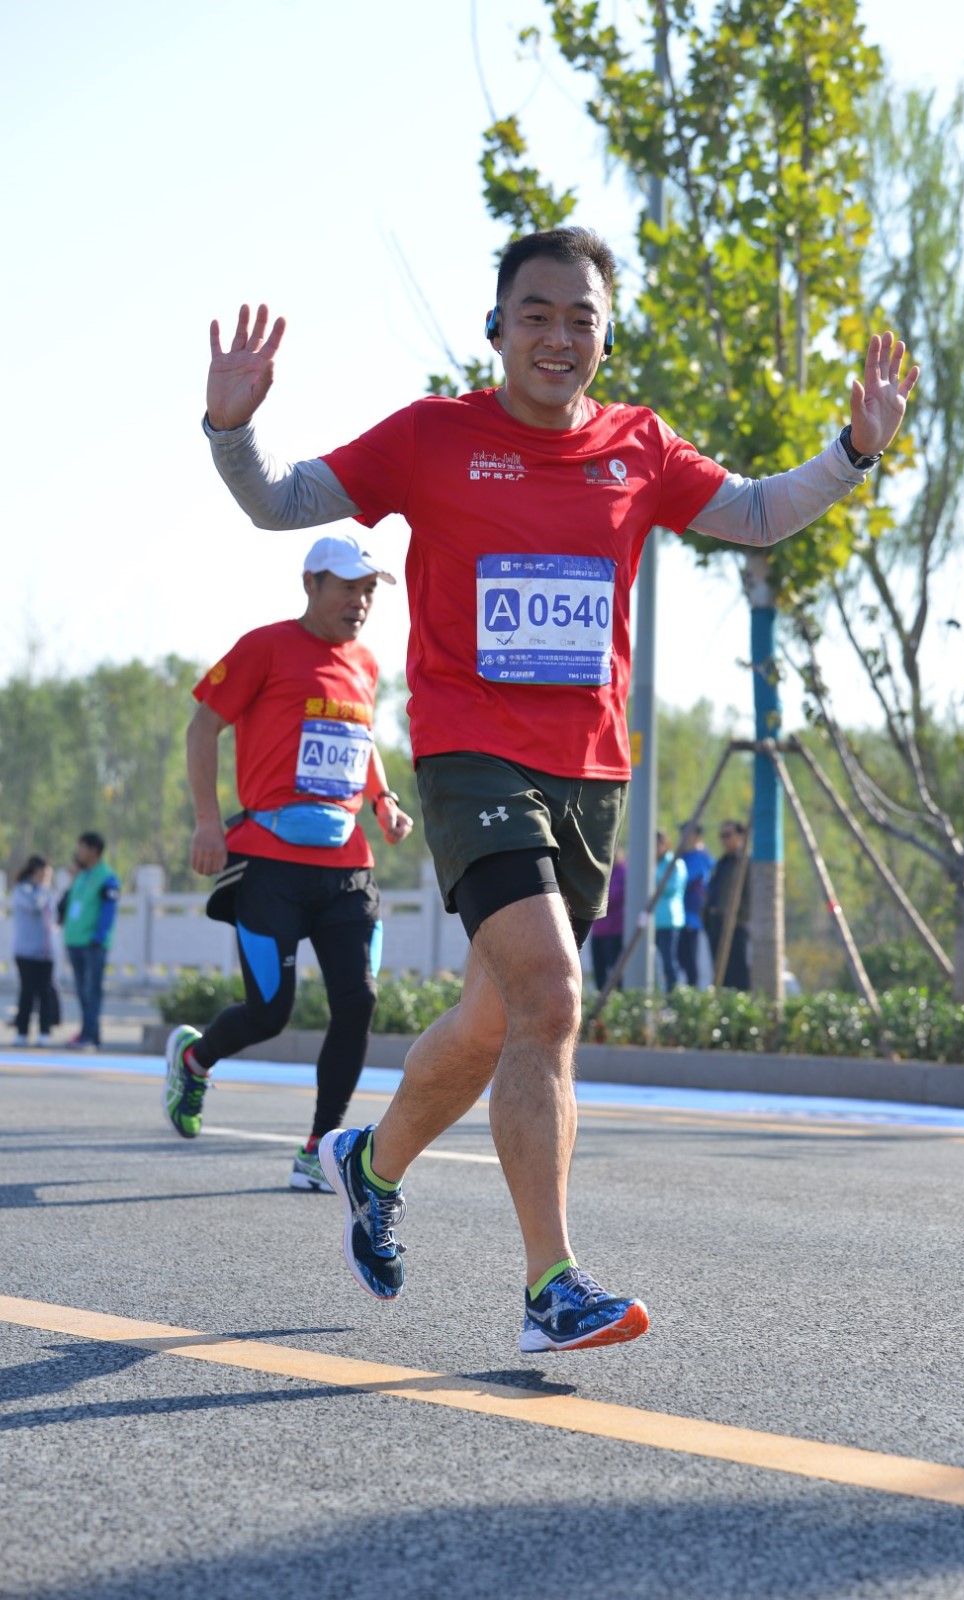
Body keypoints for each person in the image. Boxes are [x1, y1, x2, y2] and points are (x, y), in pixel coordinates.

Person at [202, 225, 917, 1351]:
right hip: (469, 756)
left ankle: (369, 1164)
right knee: (552, 999)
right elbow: (281, 502)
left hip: (589, 772)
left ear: (604, 338)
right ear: (496, 330)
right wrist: (231, 429)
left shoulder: (639, 446)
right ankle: (551, 1287)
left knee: (496, 1020)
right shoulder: (431, 436)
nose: (556, 335)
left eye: (580, 318)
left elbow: (755, 513)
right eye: (534, 314)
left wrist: (853, 451)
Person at [162, 535, 413, 1193]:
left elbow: (361, 738)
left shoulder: (366, 663)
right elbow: (202, 726)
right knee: (269, 1012)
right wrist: (208, 821)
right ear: (311, 584)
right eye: (348, 587)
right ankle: (195, 1059)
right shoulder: (265, 647)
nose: (360, 602)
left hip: (347, 867)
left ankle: (318, 1149)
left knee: (358, 1001)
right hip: (269, 864)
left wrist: (382, 799)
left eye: (369, 591)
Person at [63, 832, 120, 1050]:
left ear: (94, 850)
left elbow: (108, 911)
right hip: (75, 941)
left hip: (93, 944)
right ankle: (90, 1034)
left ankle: (88, 1035)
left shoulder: (107, 877)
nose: (78, 852)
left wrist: (99, 937)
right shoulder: (81, 875)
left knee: (91, 991)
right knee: (81, 991)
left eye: (82, 848)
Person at [11, 855, 58, 1045]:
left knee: (45, 993)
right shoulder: (23, 890)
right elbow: (34, 906)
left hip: (46, 952)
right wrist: (42, 889)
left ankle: (44, 1032)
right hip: (26, 952)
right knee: (27, 992)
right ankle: (22, 1032)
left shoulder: (48, 892)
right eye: (43, 872)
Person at [703, 819, 751, 990]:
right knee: (720, 971)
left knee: (738, 969)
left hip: (736, 925)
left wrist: (739, 917)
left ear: (741, 836)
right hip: (716, 922)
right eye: (722, 836)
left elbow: (750, 895)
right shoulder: (722, 862)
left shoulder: (746, 863)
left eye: (728, 835)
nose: (724, 840)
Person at [677, 822, 714, 987]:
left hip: (693, 918)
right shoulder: (684, 856)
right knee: (682, 958)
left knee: (691, 960)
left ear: (696, 836)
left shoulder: (700, 858)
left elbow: (685, 879)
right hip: (680, 917)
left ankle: (693, 993)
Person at [653, 831, 687, 993]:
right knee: (655, 963)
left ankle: (673, 996)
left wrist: (652, 881)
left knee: (669, 962)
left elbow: (672, 888)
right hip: (654, 921)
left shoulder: (675, 863)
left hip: (669, 920)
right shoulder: (654, 863)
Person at [589, 852, 626, 991]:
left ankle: (618, 998)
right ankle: (601, 1000)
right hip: (598, 929)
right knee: (599, 970)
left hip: (615, 930)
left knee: (615, 969)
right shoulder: (599, 870)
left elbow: (615, 897)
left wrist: (595, 900)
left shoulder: (622, 871)